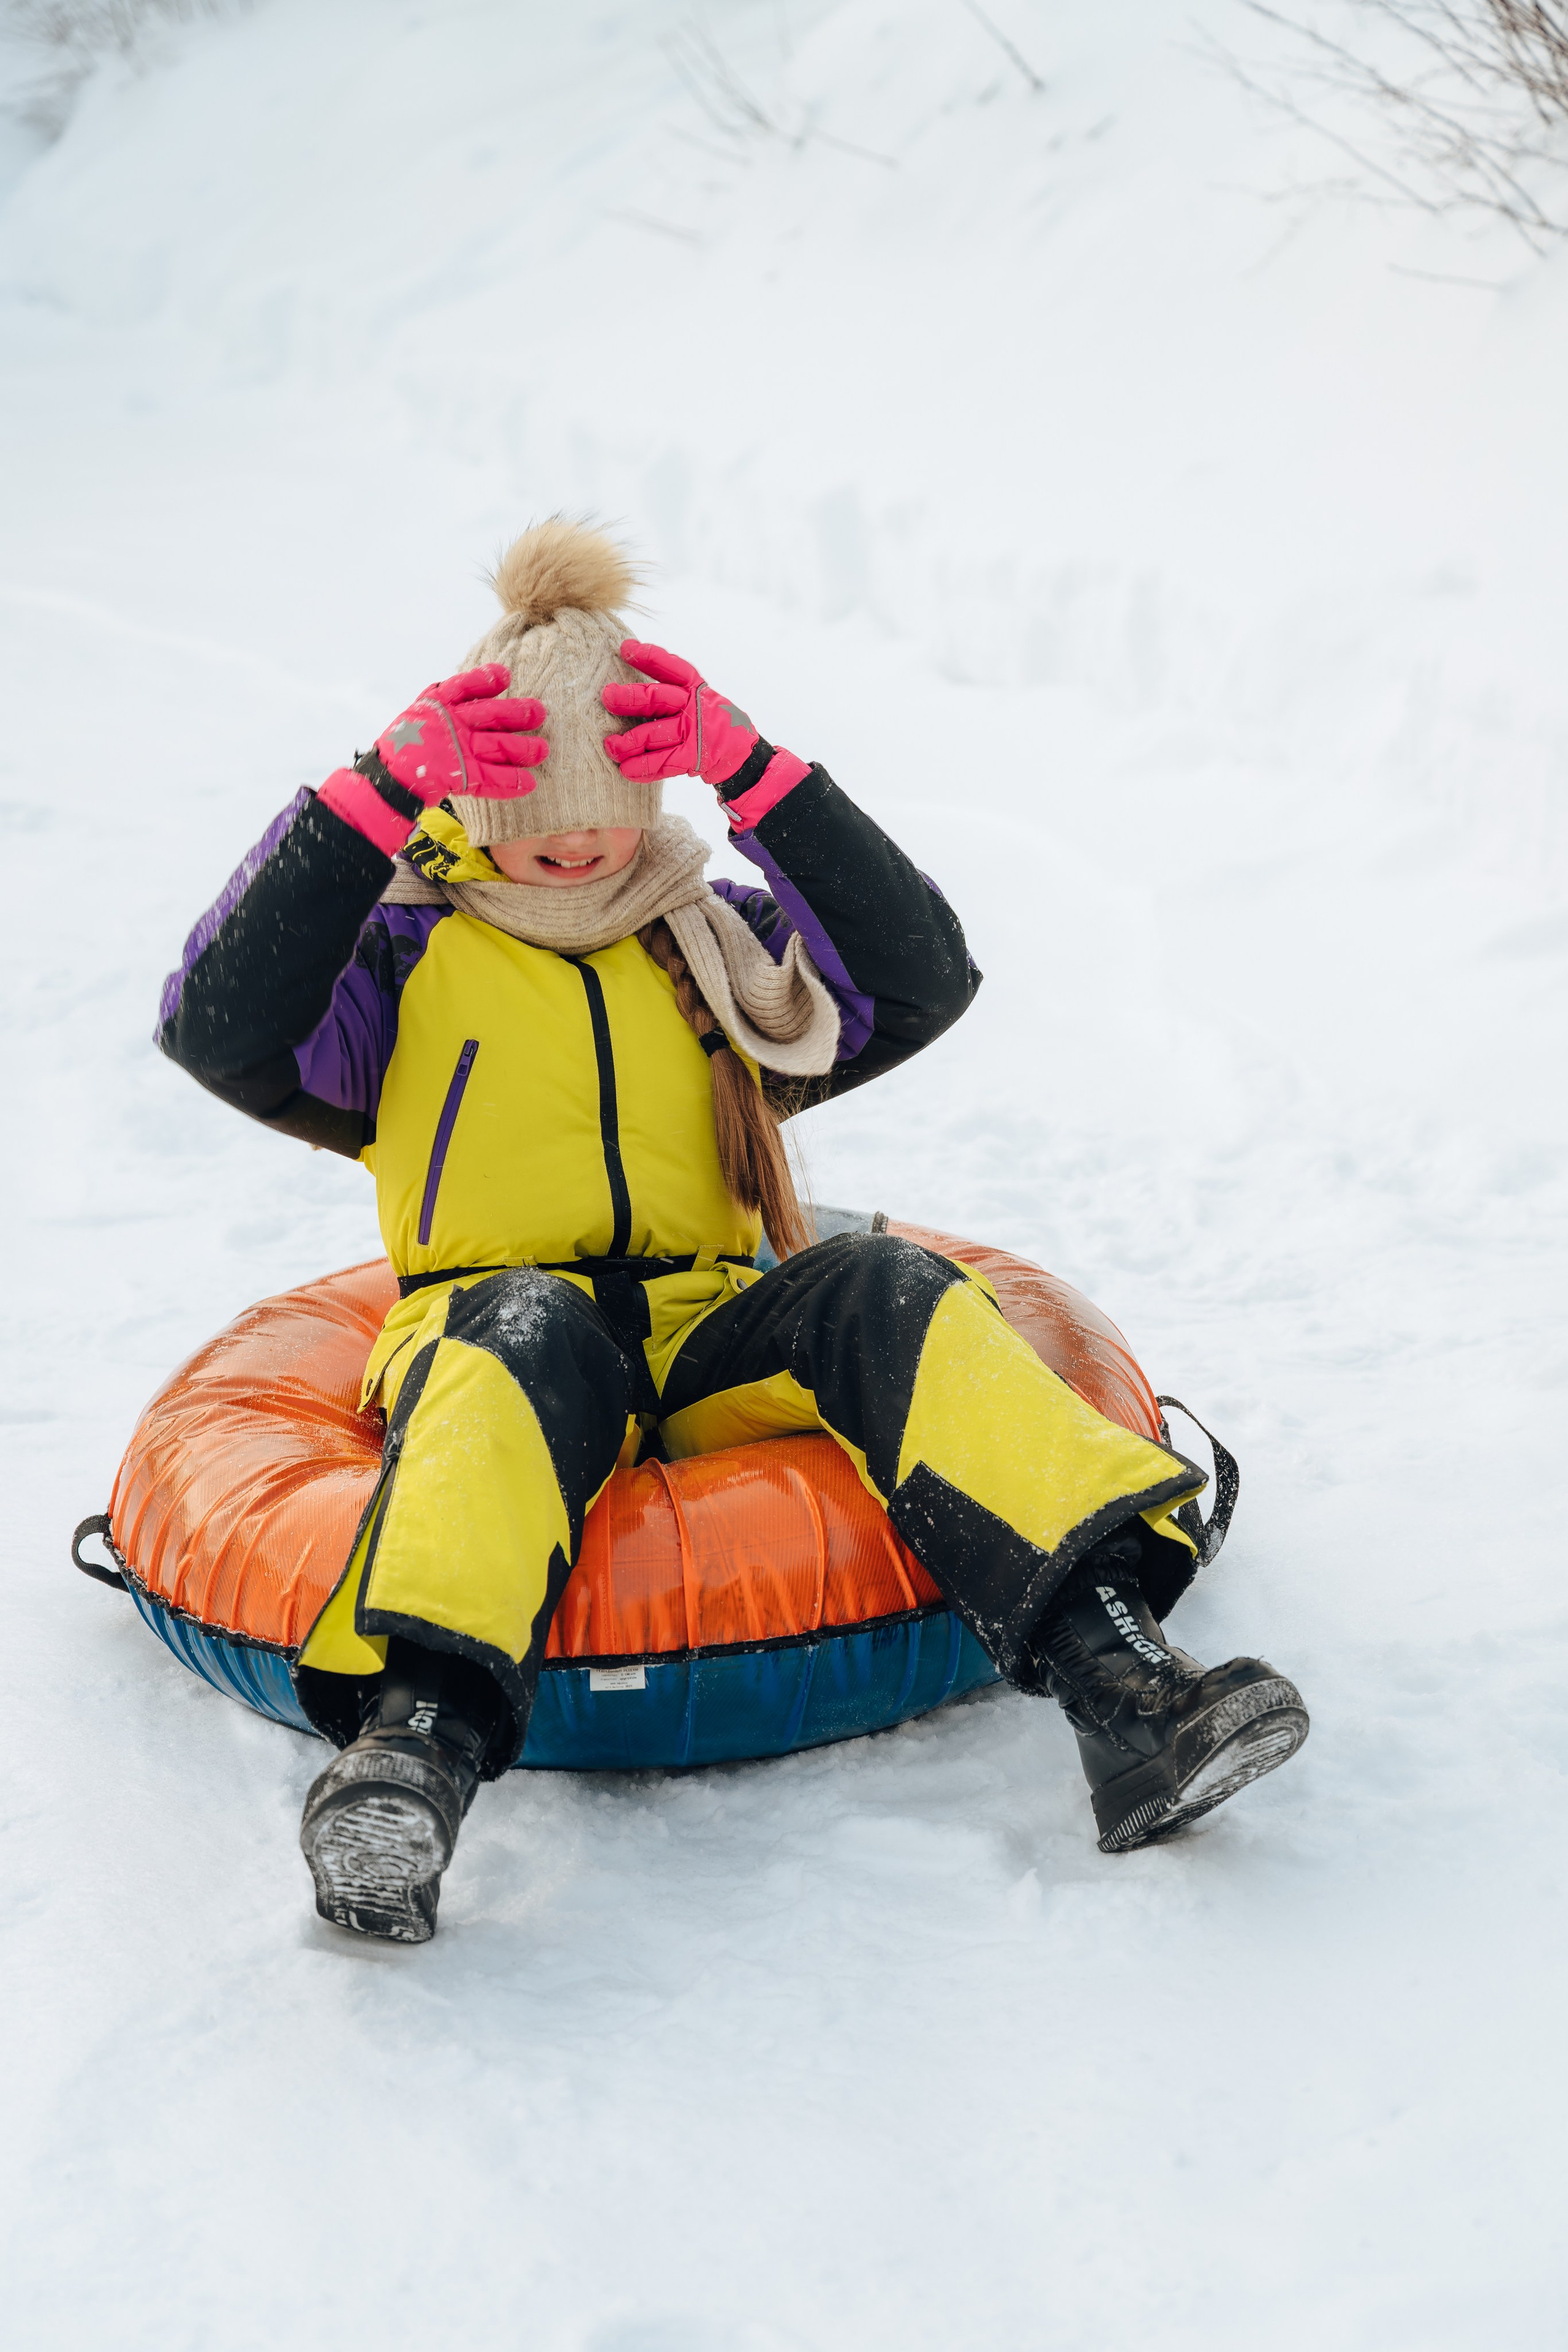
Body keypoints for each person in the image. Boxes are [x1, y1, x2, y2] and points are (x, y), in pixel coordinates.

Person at [158, 519, 1308, 1943]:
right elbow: (217, 1026)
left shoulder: (705, 941)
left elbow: (917, 975)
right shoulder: (395, 955)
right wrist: (368, 799)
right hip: (494, 1335)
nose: (577, 835)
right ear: (477, 790)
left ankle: (1125, 1685)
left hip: (709, 1338)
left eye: (611, 796)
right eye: (539, 801)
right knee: (527, 1326)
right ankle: (412, 1754)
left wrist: (764, 779)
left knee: (883, 1284)